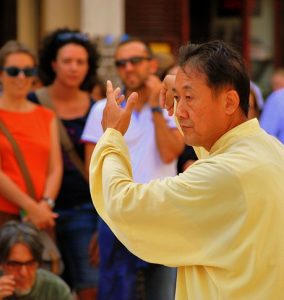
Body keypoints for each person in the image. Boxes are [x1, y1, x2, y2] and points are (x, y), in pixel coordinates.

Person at [89, 40, 284, 299]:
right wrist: (181, 85)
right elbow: (214, 148)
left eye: (189, 98)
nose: (179, 111)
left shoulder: (223, 172)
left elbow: (124, 205)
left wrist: (112, 135)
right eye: (178, 98)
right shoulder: (269, 148)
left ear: (229, 102)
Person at [82, 38, 184, 300]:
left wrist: (155, 109)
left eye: (135, 60)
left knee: (163, 293)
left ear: (151, 64)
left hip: (162, 212)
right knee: (117, 293)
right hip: (118, 214)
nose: (128, 68)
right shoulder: (103, 109)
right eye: (121, 63)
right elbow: (94, 167)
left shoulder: (171, 106)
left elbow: (170, 152)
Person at [28, 28, 100, 300]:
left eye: (81, 62)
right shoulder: (33, 102)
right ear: (53, 63)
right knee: (42, 289)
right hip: (38, 209)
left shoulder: (97, 107)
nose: (74, 68)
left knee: (90, 287)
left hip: (85, 208)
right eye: (67, 61)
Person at [0, 40, 62, 234]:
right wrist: (31, 207)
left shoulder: (46, 115)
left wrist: (46, 204)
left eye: (28, 71)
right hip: (4, 214)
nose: (21, 77)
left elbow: (55, 168)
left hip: (43, 215)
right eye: (13, 71)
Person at [0, 220, 72, 299]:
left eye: (30, 263)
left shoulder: (56, 290)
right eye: (15, 264)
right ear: (0, 262)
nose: (23, 273)